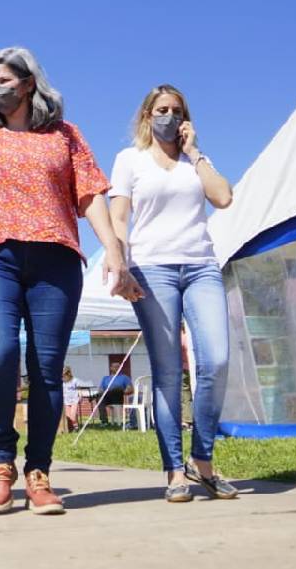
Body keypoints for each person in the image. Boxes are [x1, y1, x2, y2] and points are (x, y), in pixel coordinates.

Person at [0, 46, 134, 515]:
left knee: (47, 367)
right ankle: (1, 460)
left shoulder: (66, 135)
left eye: (5, 80)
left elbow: (89, 196)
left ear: (28, 84)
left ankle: (39, 472)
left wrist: (114, 251)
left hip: (56, 260)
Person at [108, 83, 237, 502]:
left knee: (215, 360)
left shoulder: (194, 163)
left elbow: (223, 197)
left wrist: (195, 152)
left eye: (176, 110)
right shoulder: (130, 160)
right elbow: (120, 215)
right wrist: (120, 262)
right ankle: (175, 472)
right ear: (147, 116)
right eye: (161, 109)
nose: (169, 116)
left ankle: (204, 463)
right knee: (167, 373)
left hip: (201, 265)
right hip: (152, 268)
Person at [61, 366, 82, 431]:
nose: (63, 376)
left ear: (68, 373)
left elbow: (79, 389)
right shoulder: (62, 382)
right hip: (66, 401)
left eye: (64, 374)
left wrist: (80, 396)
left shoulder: (75, 380)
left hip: (74, 400)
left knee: (72, 415)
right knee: (68, 415)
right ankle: (74, 427)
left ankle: (76, 427)